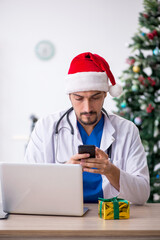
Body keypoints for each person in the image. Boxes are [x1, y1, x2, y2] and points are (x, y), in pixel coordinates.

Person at [24, 52, 150, 204]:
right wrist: (64, 174)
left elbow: (142, 195)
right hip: (62, 215)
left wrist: (111, 170)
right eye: (79, 98)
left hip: (110, 219)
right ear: (69, 96)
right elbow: (29, 188)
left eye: (95, 97)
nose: (87, 108)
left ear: (105, 94)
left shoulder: (127, 130)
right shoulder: (46, 128)